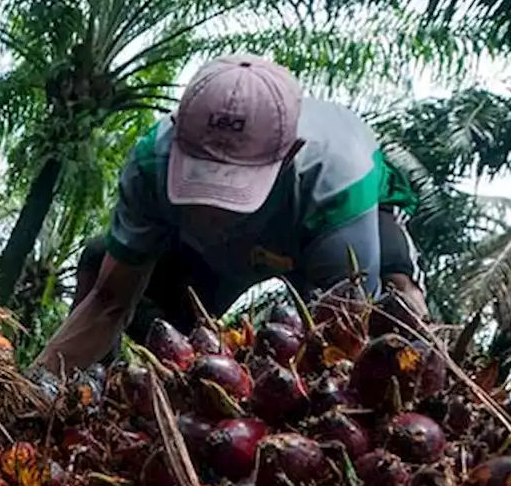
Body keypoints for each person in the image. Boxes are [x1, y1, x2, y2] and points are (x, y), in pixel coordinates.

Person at [32, 53, 429, 374]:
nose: (211, 211)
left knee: (393, 311)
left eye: (231, 185)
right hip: (208, 261)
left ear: (288, 156)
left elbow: (344, 338)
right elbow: (108, 302)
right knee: (105, 265)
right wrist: (34, 386)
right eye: (200, 180)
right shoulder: (151, 163)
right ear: (178, 136)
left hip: (320, 230)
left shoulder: (335, 179)